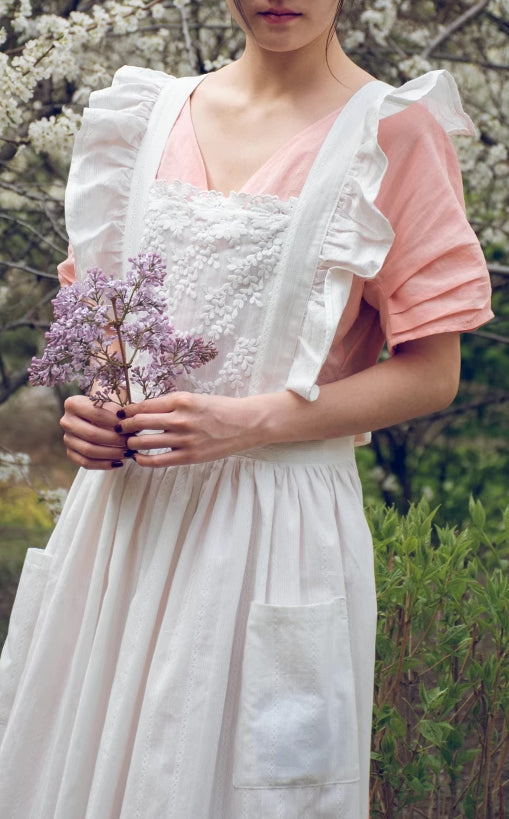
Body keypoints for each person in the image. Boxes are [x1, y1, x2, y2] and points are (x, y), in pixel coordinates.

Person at [0, 2, 493, 817]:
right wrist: (94, 407)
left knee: (235, 784)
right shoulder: (146, 118)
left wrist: (248, 422)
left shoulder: (390, 136)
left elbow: (432, 375)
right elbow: (109, 324)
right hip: (122, 523)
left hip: (274, 530)